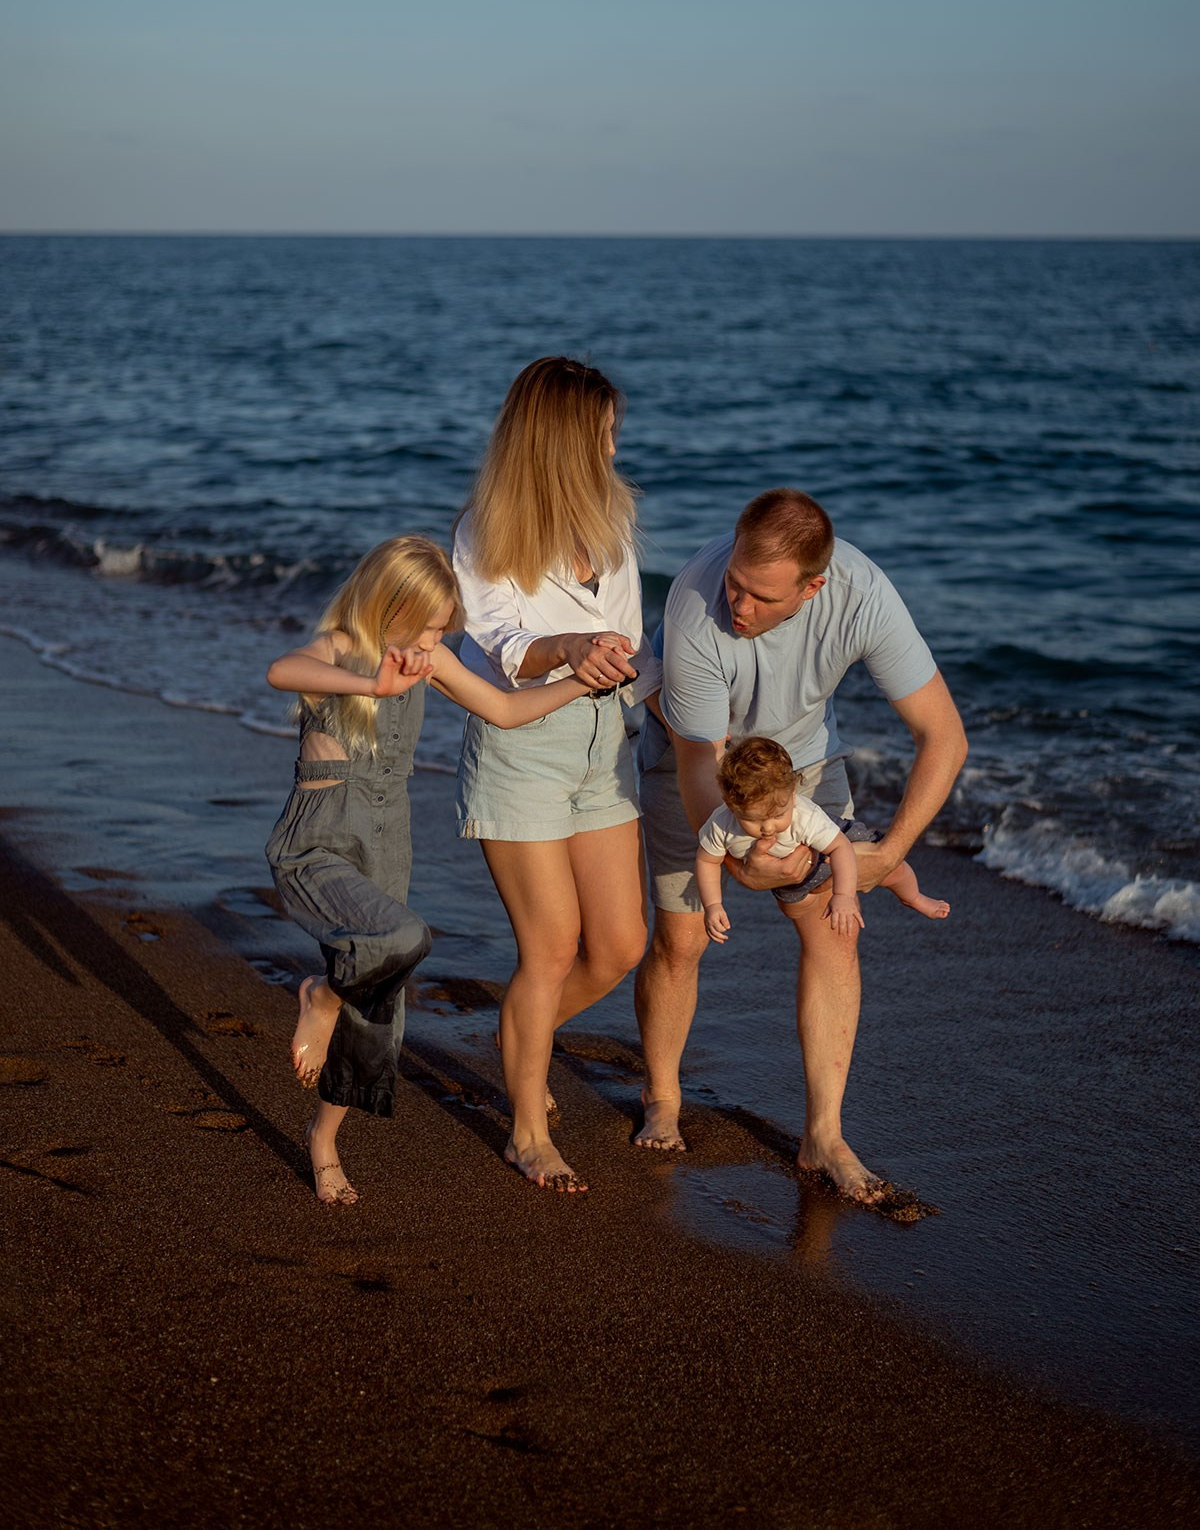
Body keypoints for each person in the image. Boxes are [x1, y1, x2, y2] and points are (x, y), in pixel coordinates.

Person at [635, 488, 967, 1202]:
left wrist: (887, 854)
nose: (738, 604)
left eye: (760, 596)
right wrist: (740, 861)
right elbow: (701, 763)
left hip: (802, 764)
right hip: (693, 761)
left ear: (812, 589)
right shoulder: (695, 603)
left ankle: (825, 1134)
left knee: (833, 932)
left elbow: (943, 735)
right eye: (735, 582)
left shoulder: (862, 596)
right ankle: (661, 1096)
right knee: (682, 939)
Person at [265, 535, 594, 1206]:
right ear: (388, 606)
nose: (434, 641)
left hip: (389, 840)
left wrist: (578, 679)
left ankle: (324, 1138)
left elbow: (504, 710)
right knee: (403, 939)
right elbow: (282, 671)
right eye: (427, 626)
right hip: (320, 842)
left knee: (379, 1006)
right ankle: (320, 997)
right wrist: (372, 683)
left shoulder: (430, 658)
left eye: (443, 629)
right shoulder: (340, 648)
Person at [454, 356, 660, 1195]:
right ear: (564, 442)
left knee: (619, 945)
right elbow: (504, 645)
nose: (613, 449)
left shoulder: (612, 521)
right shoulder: (486, 529)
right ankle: (527, 1132)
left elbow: (632, 641)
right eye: (604, 434)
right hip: (523, 744)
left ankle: (520, 1038)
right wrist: (571, 647)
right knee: (549, 949)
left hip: (607, 743)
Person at [696, 734, 950, 946]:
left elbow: (840, 847)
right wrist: (713, 905)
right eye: (753, 820)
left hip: (834, 840)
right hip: (788, 869)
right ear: (731, 805)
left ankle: (914, 898)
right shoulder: (721, 824)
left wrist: (844, 896)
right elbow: (707, 861)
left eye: (778, 815)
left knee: (891, 868)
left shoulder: (805, 817)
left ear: (792, 795)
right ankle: (823, 880)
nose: (768, 827)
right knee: (794, 908)